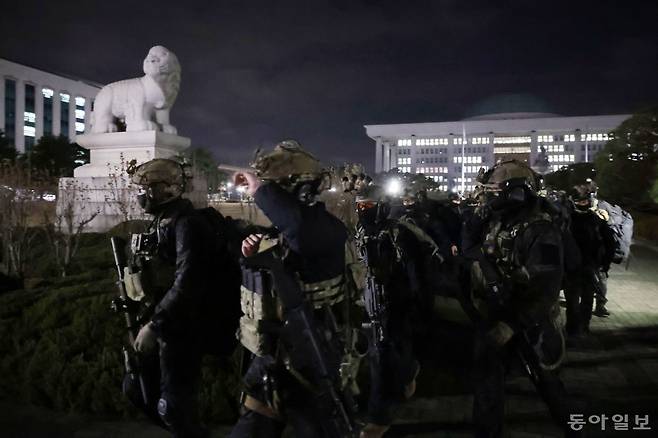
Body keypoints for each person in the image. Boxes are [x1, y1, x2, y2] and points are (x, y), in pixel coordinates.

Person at [229, 140, 355, 438]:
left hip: (312, 360)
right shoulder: (293, 229)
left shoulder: (324, 228)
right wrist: (254, 255)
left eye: (278, 187)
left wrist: (260, 188)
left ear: (300, 189)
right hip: (276, 359)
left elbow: (300, 230)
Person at [128, 158, 242, 438]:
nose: (142, 195)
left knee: (174, 407)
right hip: (167, 321)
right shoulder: (163, 220)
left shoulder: (187, 224)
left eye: (148, 189)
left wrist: (155, 325)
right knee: (137, 390)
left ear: (167, 189)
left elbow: (187, 281)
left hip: (184, 327)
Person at [463, 160, 578, 437]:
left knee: (548, 384)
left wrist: (513, 324)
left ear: (515, 193)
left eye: (493, 191)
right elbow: (468, 247)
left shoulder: (542, 230)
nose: (487, 197)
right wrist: (478, 217)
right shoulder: (500, 219)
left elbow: (546, 288)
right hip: (498, 312)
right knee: (488, 386)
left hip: (530, 322)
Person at [355, 185, 443, 438]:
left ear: (381, 206)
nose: (363, 211)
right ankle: (402, 378)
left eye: (368, 206)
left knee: (385, 356)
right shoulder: (362, 232)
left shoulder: (399, 234)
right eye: (359, 206)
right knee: (381, 355)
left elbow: (418, 273)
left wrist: (421, 307)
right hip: (372, 303)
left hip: (398, 303)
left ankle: (379, 417)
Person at [564, 182, 616, 336]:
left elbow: (610, 243)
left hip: (587, 269)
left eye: (584, 201)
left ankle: (581, 328)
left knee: (584, 302)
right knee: (574, 303)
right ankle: (575, 329)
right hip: (574, 270)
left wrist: (604, 265)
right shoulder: (568, 221)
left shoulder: (594, 220)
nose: (582, 204)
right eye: (580, 201)